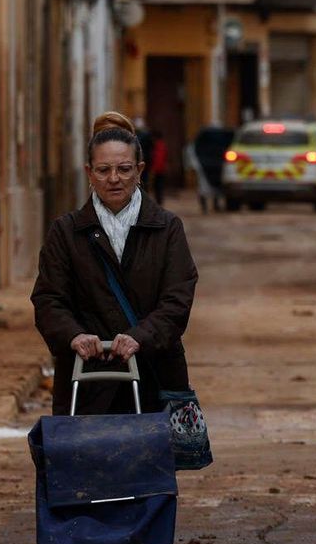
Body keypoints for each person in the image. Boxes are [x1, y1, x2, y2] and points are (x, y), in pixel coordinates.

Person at [32, 112, 199, 416]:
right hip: (86, 384)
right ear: (89, 172)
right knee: (86, 461)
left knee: (150, 461)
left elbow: (178, 299)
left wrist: (140, 337)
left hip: (154, 378)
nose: (113, 179)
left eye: (123, 169)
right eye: (103, 170)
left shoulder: (166, 228)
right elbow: (49, 299)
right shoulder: (66, 232)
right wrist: (74, 335)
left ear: (140, 170)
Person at [148, 130, 170, 205]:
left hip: (158, 170)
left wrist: (153, 169)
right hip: (161, 169)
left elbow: (158, 159)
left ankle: (159, 201)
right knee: (158, 187)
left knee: (157, 187)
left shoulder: (158, 146)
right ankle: (159, 201)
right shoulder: (162, 145)